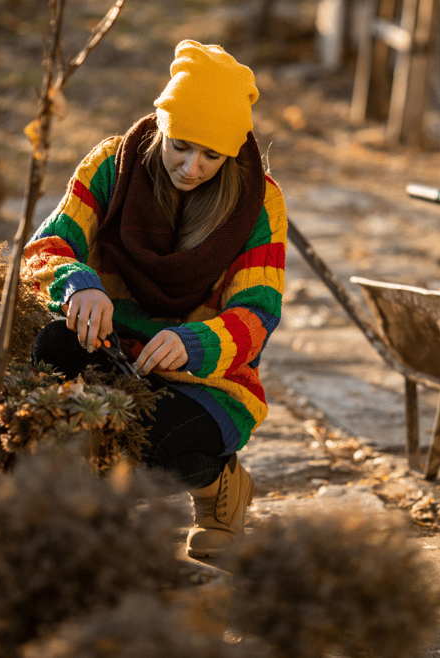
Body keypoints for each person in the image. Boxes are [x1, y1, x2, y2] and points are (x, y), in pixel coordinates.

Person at [22, 40, 287, 558]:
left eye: (212, 155)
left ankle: (221, 489)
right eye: (181, 146)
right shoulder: (111, 164)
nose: (192, 167)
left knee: (151, 451)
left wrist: (194, 341)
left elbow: (258, 312)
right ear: (161, 125)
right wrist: (78, 283)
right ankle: (54, 514)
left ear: (232, 152)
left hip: (206, 377)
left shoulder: (259, 201)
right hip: (109, 345)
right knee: (52, 350)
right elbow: (46, 248)